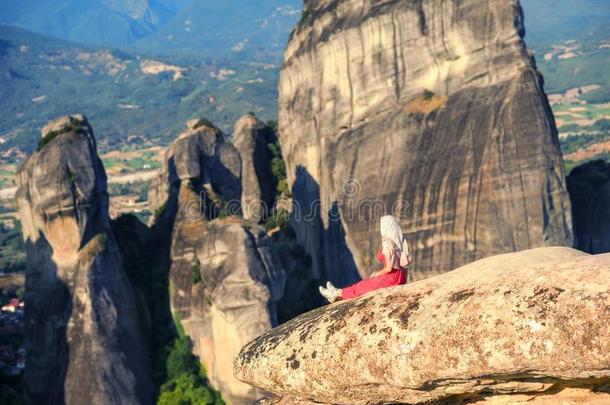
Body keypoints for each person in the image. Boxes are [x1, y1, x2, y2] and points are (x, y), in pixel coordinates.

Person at [319, 215, 412, 303]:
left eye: (383, 225)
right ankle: (336, 292)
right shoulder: (400, 242)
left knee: (361, 287)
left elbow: (388, 268)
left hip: (390, 278)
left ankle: (334, 294)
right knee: (364, 284)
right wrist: (402, 283)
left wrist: (377, 274)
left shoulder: (388, 243)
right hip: (398, 278)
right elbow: (404, 266)